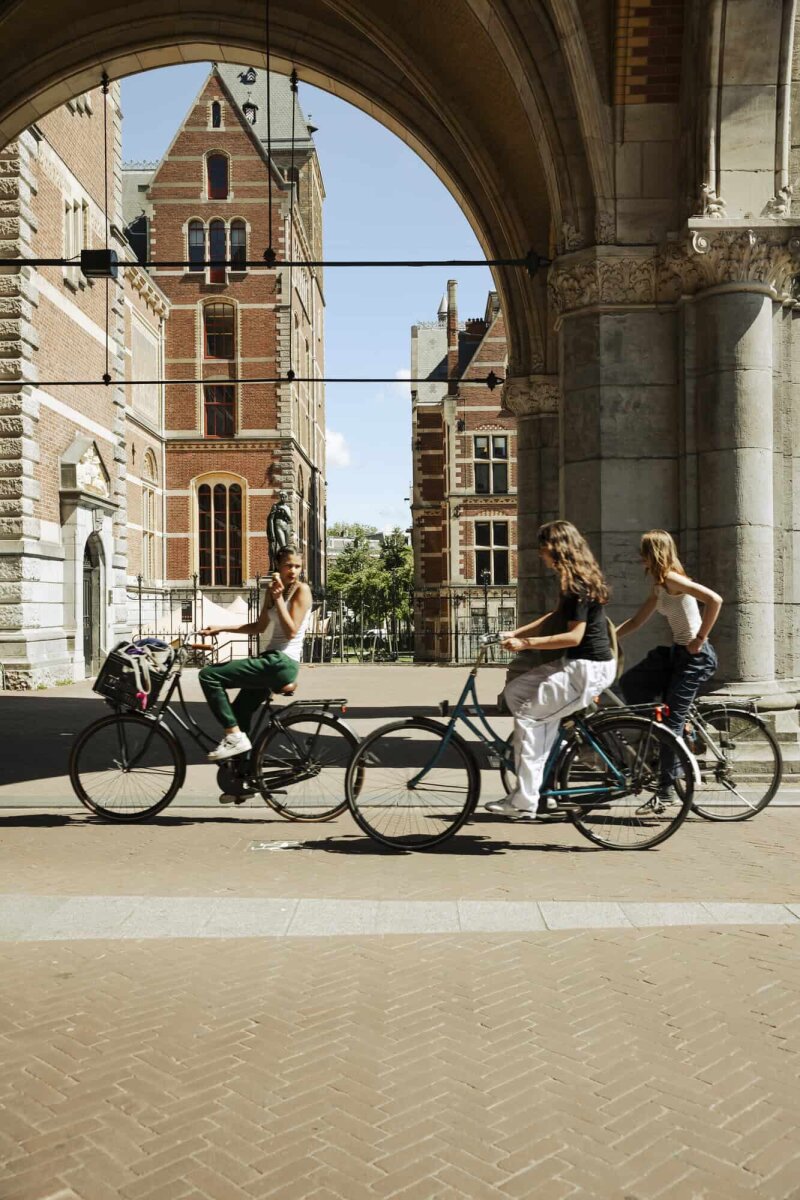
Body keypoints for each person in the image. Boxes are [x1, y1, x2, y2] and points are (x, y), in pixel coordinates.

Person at [486, 520, 617, 821]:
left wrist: (526, 643)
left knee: (529, 718)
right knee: (516, 693)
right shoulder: (572, 582)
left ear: (557, 548)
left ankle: (525, 799)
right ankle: (544, 760)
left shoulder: (578, 585)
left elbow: (574, 637)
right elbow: (554, 617)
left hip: (587, 668)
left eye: (543, 547)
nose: (540, 553)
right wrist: (514, 633)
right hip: (575, 664)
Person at [615, 529, 722, 812]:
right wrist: (608, 639)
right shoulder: (660, 586)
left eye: (643, 552)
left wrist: (700, 639)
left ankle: (666, 792)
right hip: (677, 654)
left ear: (654, 554)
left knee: (669, 726)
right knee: (632, 682)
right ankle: (671, 732)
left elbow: (715, 600)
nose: (640, 558)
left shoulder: (674, 579)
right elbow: (636, 621)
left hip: (695, 657)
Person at [197, 545, 312, 762]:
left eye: (297, 566)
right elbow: (258, 627)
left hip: (282, 662)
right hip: (270, 660)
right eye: (288, 565)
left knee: (208, 675)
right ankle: (243, 772)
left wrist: (279, 599)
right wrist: (221, 628)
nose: (293, 571)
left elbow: (291, 631)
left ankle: (233, 736)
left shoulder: (301, 590)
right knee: (239, 712)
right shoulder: (273, 591)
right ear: (277, 565)